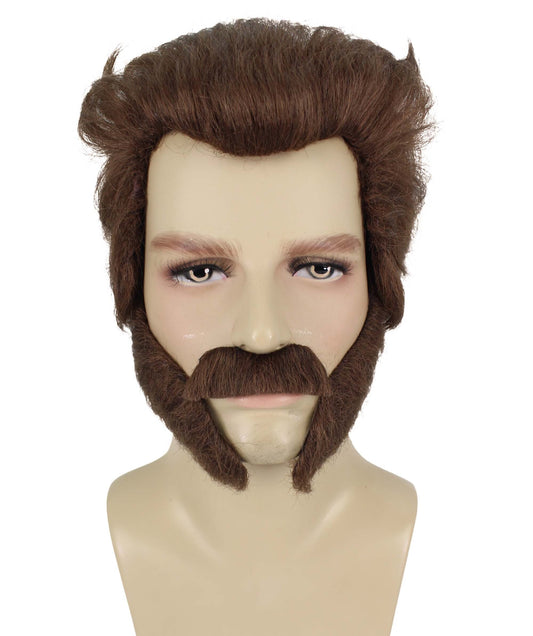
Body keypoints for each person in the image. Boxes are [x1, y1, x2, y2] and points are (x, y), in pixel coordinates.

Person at [79, 18, 433, 636]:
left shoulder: (482, 558)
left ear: (381, 283)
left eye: (319, 268)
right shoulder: (43, 560)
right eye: (199, 272)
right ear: (131, 287)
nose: (262, 334)